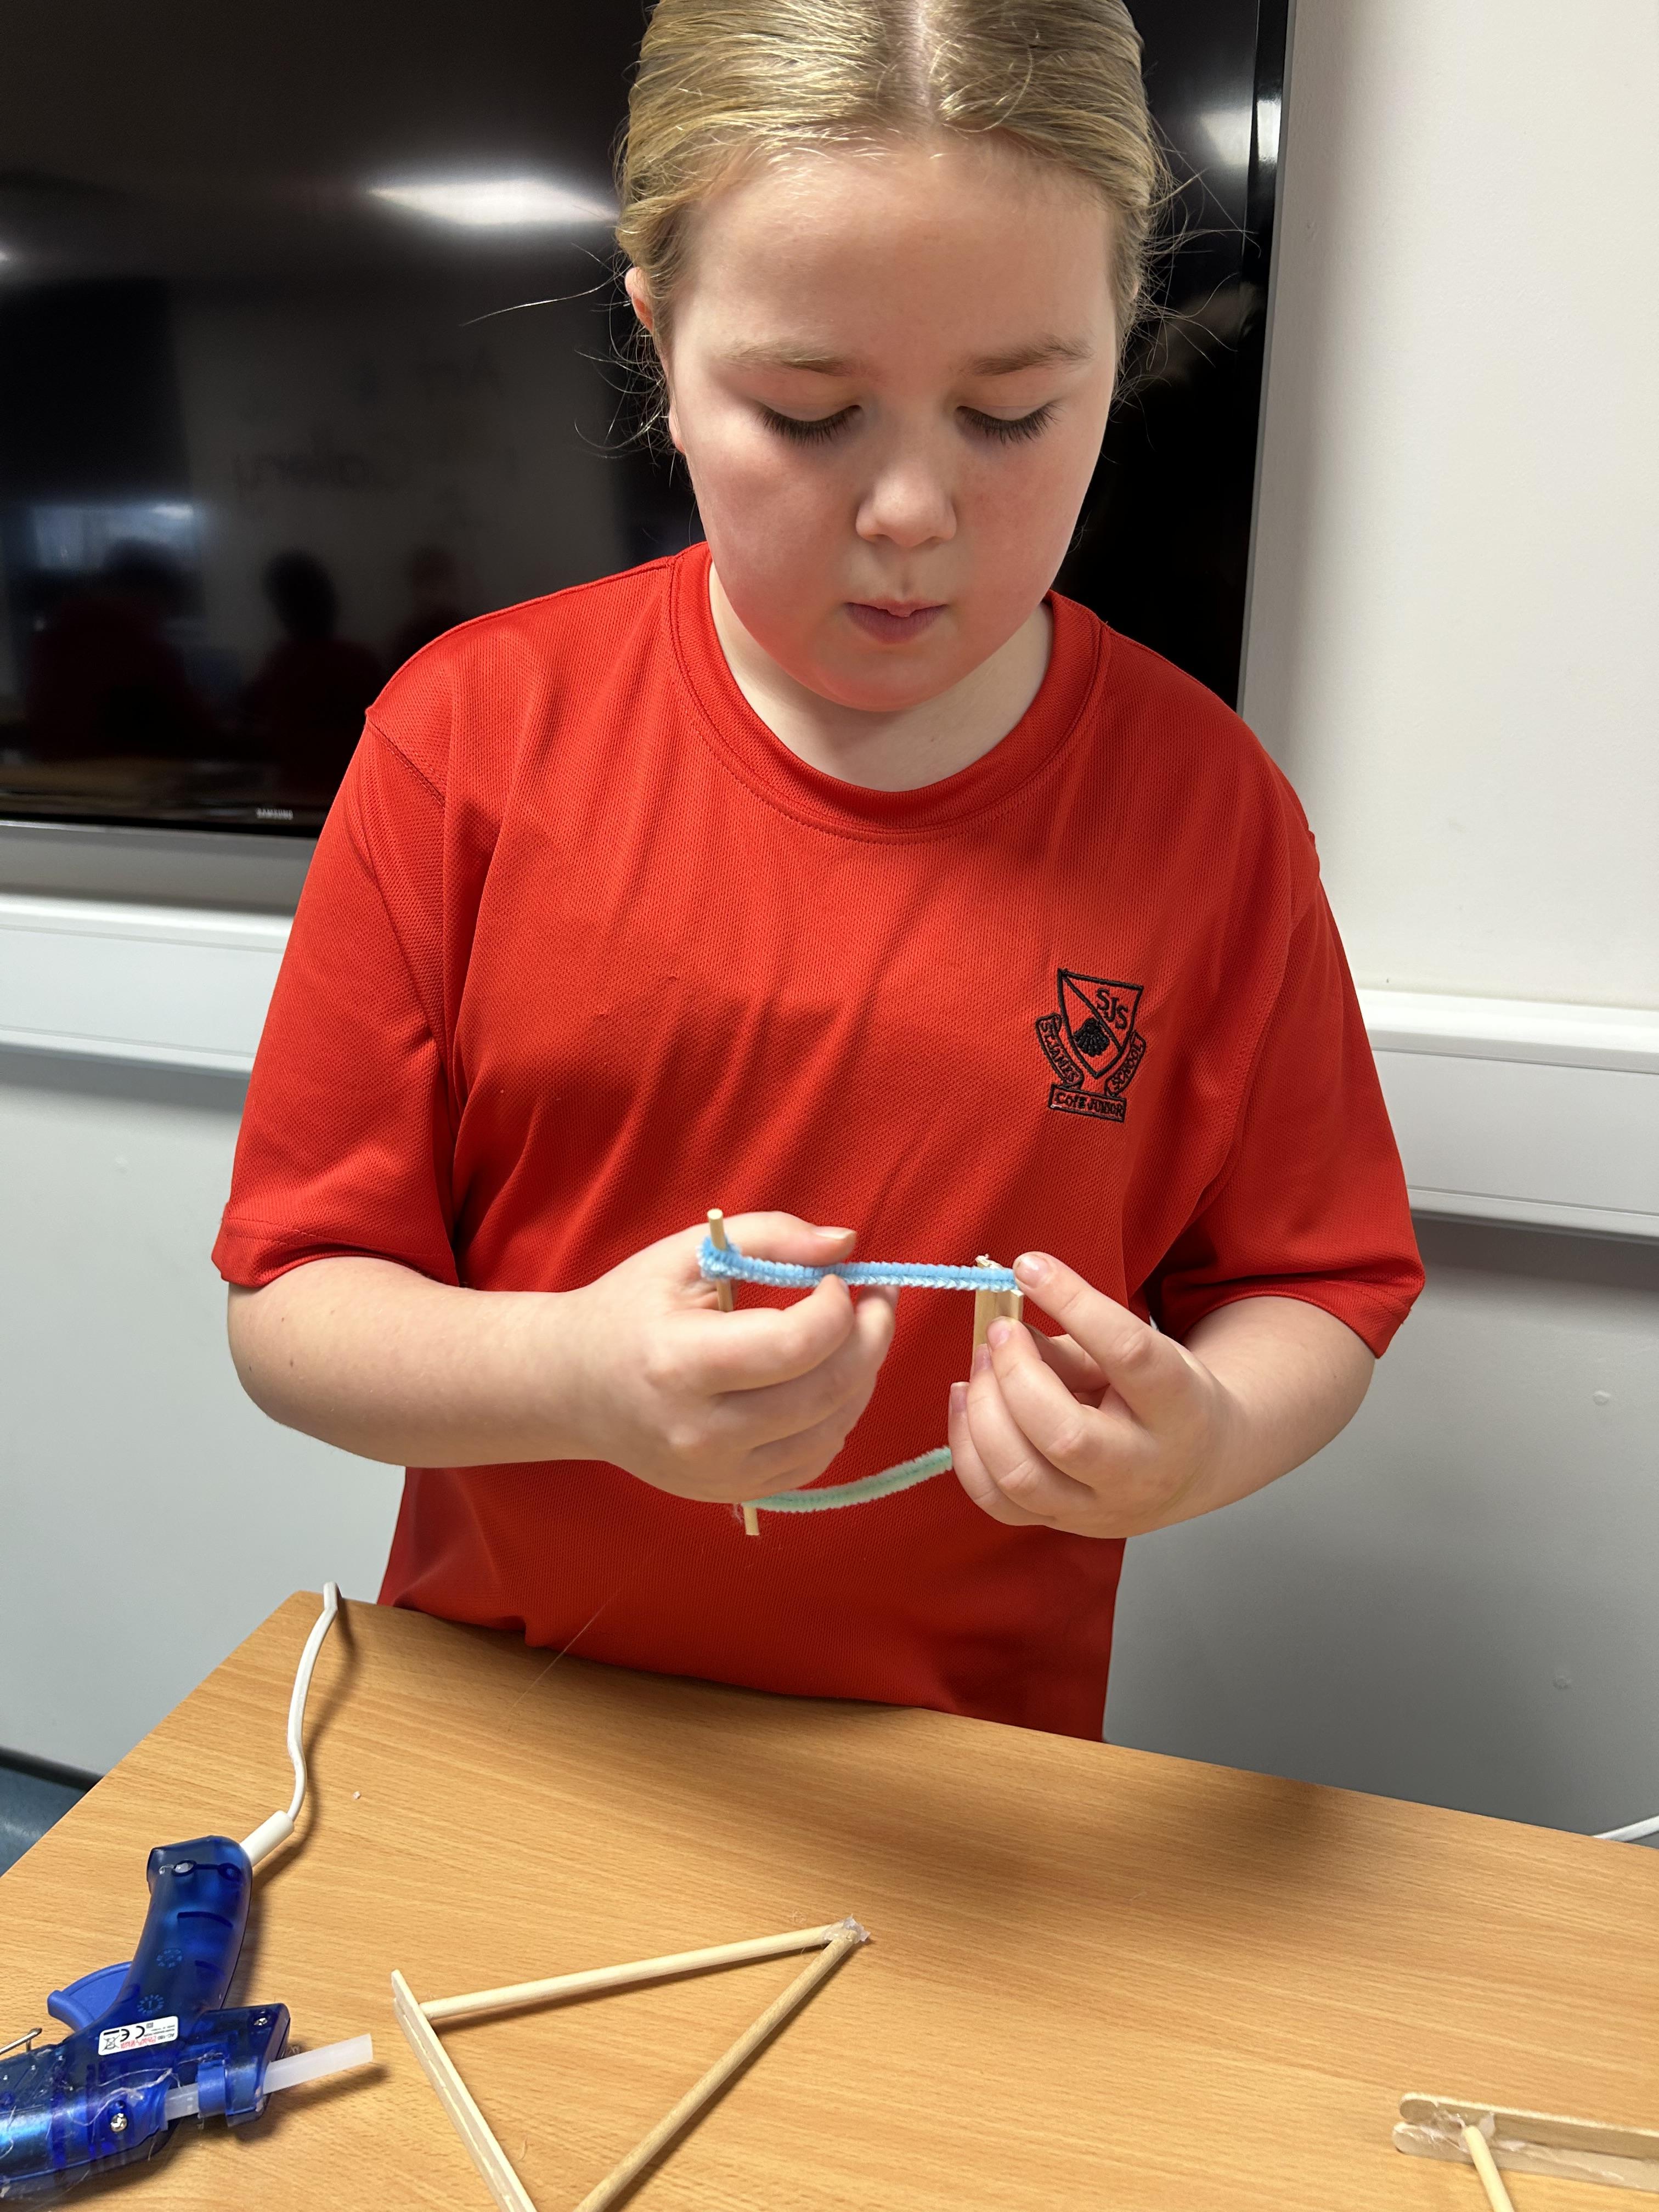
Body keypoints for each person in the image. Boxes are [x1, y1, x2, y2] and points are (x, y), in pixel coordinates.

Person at [215, 0, 1423, 1742]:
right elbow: (294, 1305)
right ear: (660, 344)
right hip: (514, 1733)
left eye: (1012, 412)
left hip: (957, 1779)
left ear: (1123, 346)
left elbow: (1313, 1284)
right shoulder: (468, 739)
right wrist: (577, 1375)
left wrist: (1206, 1439)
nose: (911, 510)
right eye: (807, 411)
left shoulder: (1208, 810)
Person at [242, 551, 381, 792]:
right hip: (348, 794)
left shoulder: (283, 663)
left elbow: (252, 717)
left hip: (299, 792)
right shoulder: (360, 660)